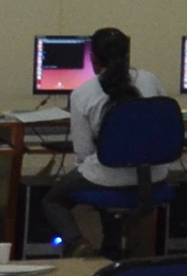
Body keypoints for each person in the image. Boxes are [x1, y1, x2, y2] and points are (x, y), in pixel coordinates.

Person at [46, 27, 170, 254]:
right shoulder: (150, 80)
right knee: (101, 172)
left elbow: (83, 153)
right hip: (153, 177)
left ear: (92, 59)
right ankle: (112, 247)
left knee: (53, 201)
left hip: (107, 174)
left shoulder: (83, 93)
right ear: (127, 54)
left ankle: (78, 244)